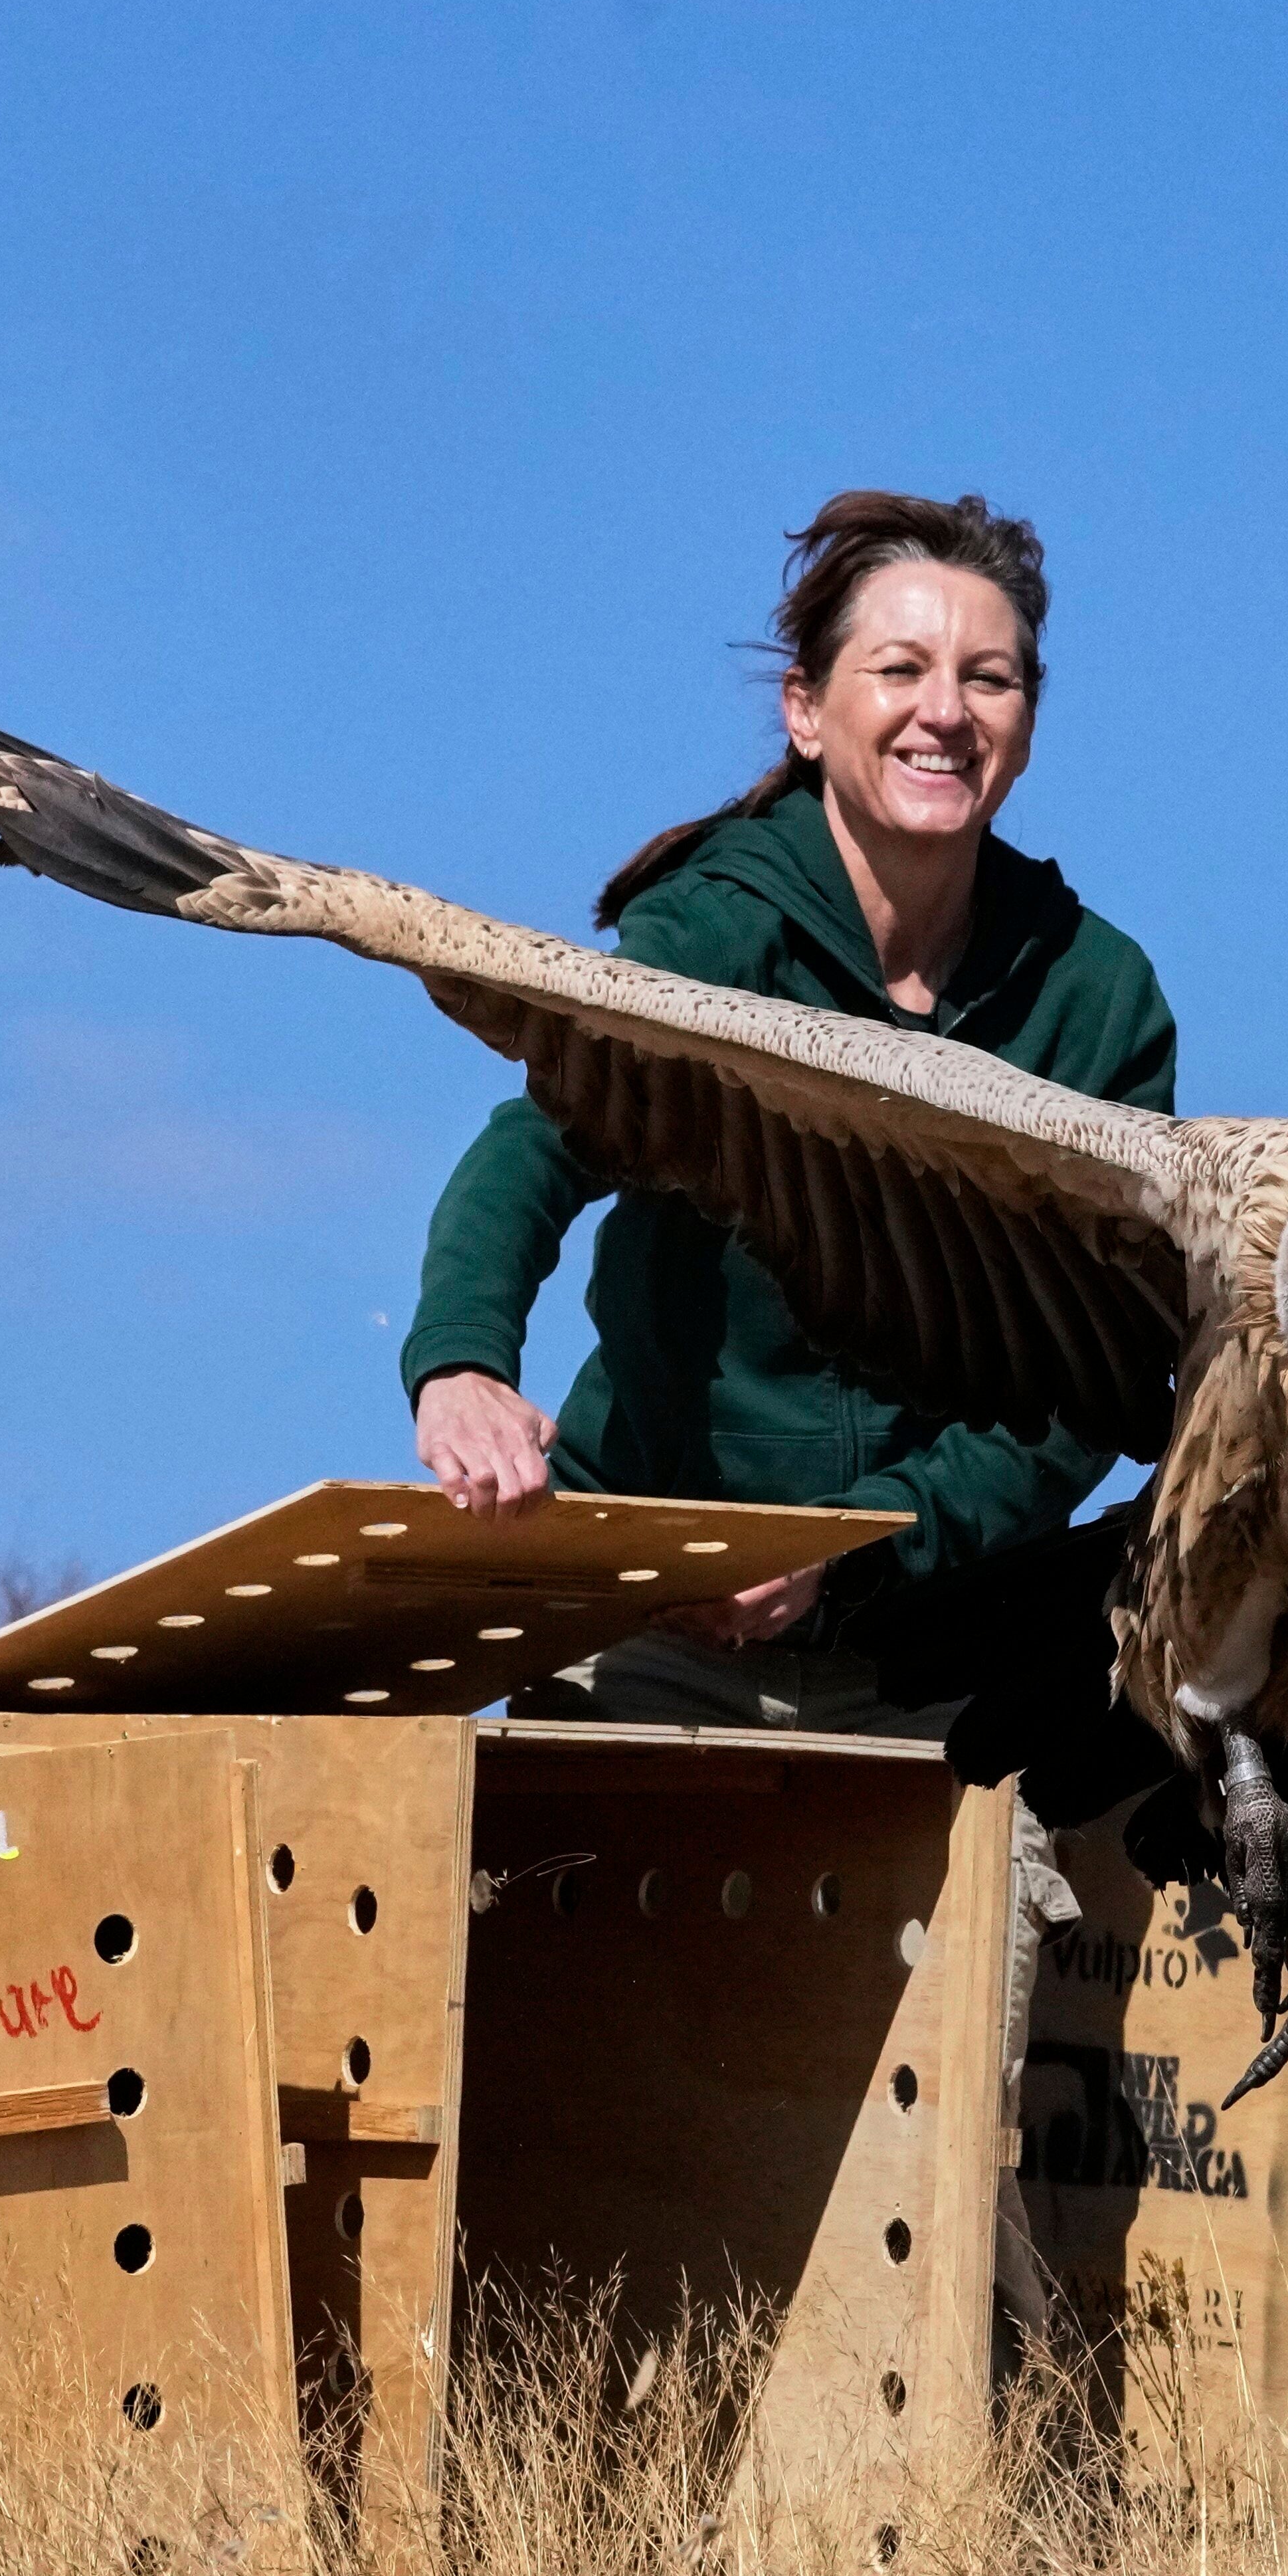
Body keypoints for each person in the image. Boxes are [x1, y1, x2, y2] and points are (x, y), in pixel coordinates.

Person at [400, 491, 1179, 1737]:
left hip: (933, 1642)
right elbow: (533, 1149)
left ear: (1028, 723)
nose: (946, 712)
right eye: (901, 669)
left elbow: (1088, 1385)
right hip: (652, 1617)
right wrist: (459, 1366)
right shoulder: (712, 932)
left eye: (990, 678)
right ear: (808, 711)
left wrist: (858, 1550)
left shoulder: (1099, 1003)